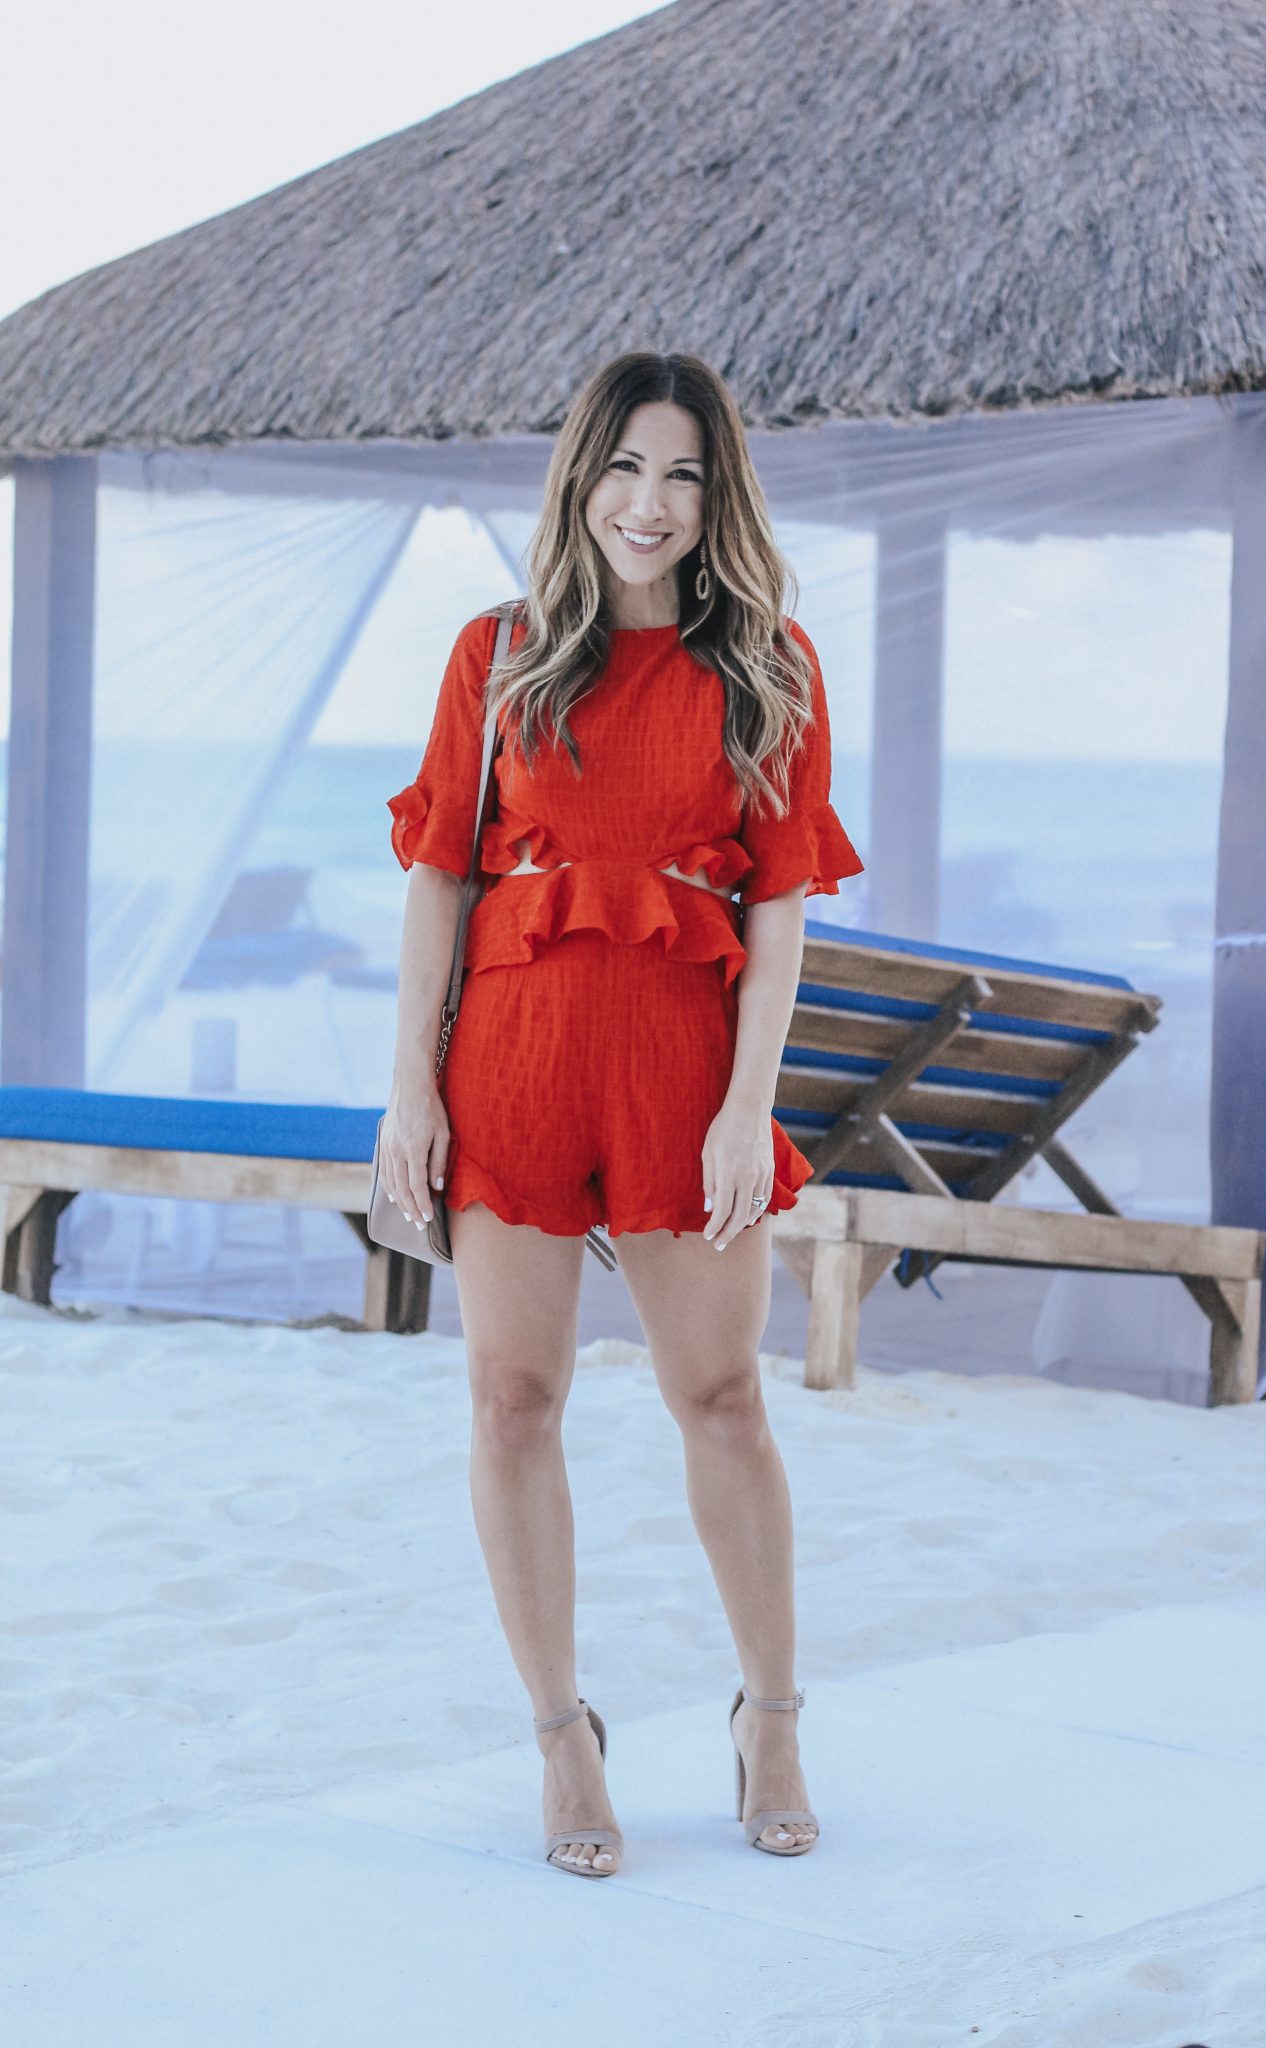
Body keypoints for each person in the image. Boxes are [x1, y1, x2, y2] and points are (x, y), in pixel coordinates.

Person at [379, 351, 864, 1879]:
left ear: (719, 500)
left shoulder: (766, 665)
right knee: (512, 1402)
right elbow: (438, 875)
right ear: (580, 478)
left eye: (684, 477)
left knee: (720, 1399)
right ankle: (559, 1738)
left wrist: (745, 1109)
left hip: (682, 1070)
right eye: (626, 469)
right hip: (512, 1061)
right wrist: (407, 1089)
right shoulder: (497, 654)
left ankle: (769, 1720)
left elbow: (778, 912)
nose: (649, 504)